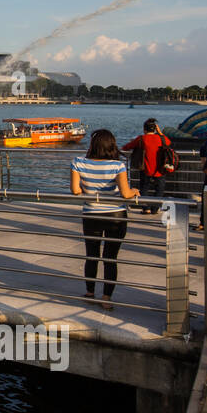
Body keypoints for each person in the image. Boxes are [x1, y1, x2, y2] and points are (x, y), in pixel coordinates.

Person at [70, 129, 141, 310]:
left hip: (91, 214)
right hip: (115, 216)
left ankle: (89, 292)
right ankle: (106, 298)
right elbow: (125, 193)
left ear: (93, 145)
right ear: (112, 145)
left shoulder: (78, 162)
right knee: (110, 257)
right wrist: (135, 192)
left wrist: (89, 190)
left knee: (91, 255)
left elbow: (76, 190)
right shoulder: (117, 166)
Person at [121, 118, 172, 213]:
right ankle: (155, 208)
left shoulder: (141, 139)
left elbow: (127, 147)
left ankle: (146, 208)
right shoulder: (161, 138)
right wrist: (160, 132)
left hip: (145, 168)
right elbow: (168, 142)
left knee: (144, 188)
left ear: (144, 129)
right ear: (155, 129)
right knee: (159, 189)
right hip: (160, 169)